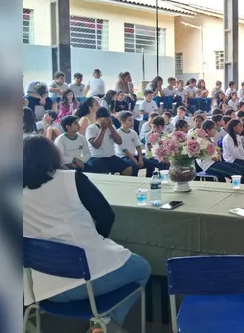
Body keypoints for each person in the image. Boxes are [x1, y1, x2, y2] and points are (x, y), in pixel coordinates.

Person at [23, 135, 151, 333]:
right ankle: (107, 325)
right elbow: (106, 216)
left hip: (41, 288)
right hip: (85, 282)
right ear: (52, 155)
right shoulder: (71, 179)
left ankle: (103, 323)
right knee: (142, 267)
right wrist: (97, 239)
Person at [85, 108, 132, 176]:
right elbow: (96, 145)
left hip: (111, 156)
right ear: (96, 119)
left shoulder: (112, 127)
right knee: (104, 174)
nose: (106, 121)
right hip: (97, 157)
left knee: (128, 169)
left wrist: (110, 127)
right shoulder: (91, 128)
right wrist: (102, 129)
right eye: (103, 119)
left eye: (107, 118)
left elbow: (119, 142)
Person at [115, 111, 144, 176]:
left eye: (132, 119)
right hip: (123, 157)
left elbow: (138, 146)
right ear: (123, 121)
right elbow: (124, 150)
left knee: (149, 163)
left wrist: (140, 158)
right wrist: (135, 161)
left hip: (133, 155)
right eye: (130, 120)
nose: (132, 122)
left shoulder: (133, 132)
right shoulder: (118, 133)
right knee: (134, 166)